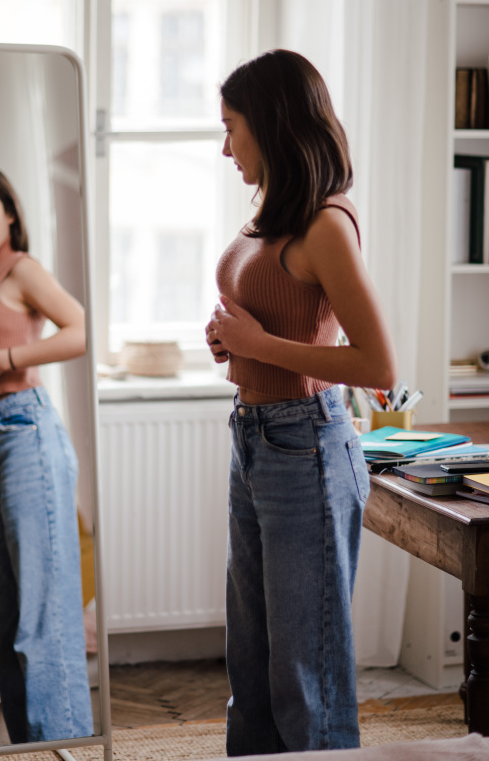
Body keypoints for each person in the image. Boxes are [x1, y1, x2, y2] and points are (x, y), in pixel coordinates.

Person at [205, 50, 397, 755]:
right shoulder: (272, 213)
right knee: (251, 664)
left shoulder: (325, 225)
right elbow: (277, 321)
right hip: (254, 440)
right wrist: (235, 342)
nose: (225, 147)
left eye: (233, 128)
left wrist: (260, 341)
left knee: (302, 674)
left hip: (304, 448)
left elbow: (376, 364)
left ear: (274, 124)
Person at [0, 165, 93, 744]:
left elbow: (82, 329)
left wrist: (2, 362)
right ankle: (33, 749)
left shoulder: (21, 268)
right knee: (7, 623)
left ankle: (67, 746)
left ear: (8, 212)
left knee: (40, 622)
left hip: (25, 432)